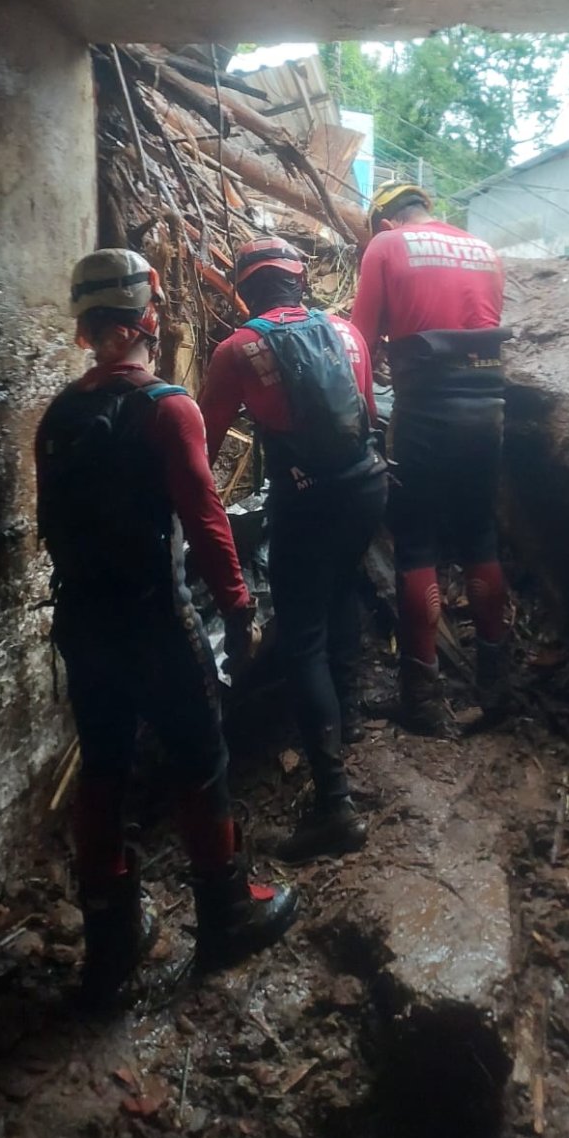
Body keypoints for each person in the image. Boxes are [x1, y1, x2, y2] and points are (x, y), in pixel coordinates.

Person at [35, 249, 297, 1007]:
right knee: (198, 756)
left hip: (83, 616)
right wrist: (240, 605)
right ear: (149, 316)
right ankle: (225, 910)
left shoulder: (59, 414)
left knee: (104, 764)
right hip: (154, 612)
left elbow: (54, 521)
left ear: (86, 329)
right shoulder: (167, 406)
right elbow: (207, 520)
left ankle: (111, 934)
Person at [199, 236, 387, 863]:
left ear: (245, 290)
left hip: (304, 501)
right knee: (343, 592)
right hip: (366, 487)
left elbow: (203, 444)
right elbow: (362, 411)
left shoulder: (235, 351)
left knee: (301, 633)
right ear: (298, 281)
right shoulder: (348, 334)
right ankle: (350, 717)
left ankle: (334, 804)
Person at [350, 182, 509, 737]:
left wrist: (366, 420)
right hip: (489, 409)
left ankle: (423, 697)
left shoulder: (387, 248)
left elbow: (359, 344)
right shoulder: (483, 250)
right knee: (480, 537)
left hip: (427, 414)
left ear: (385, 221)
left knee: (417, 545)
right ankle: (494, 681)